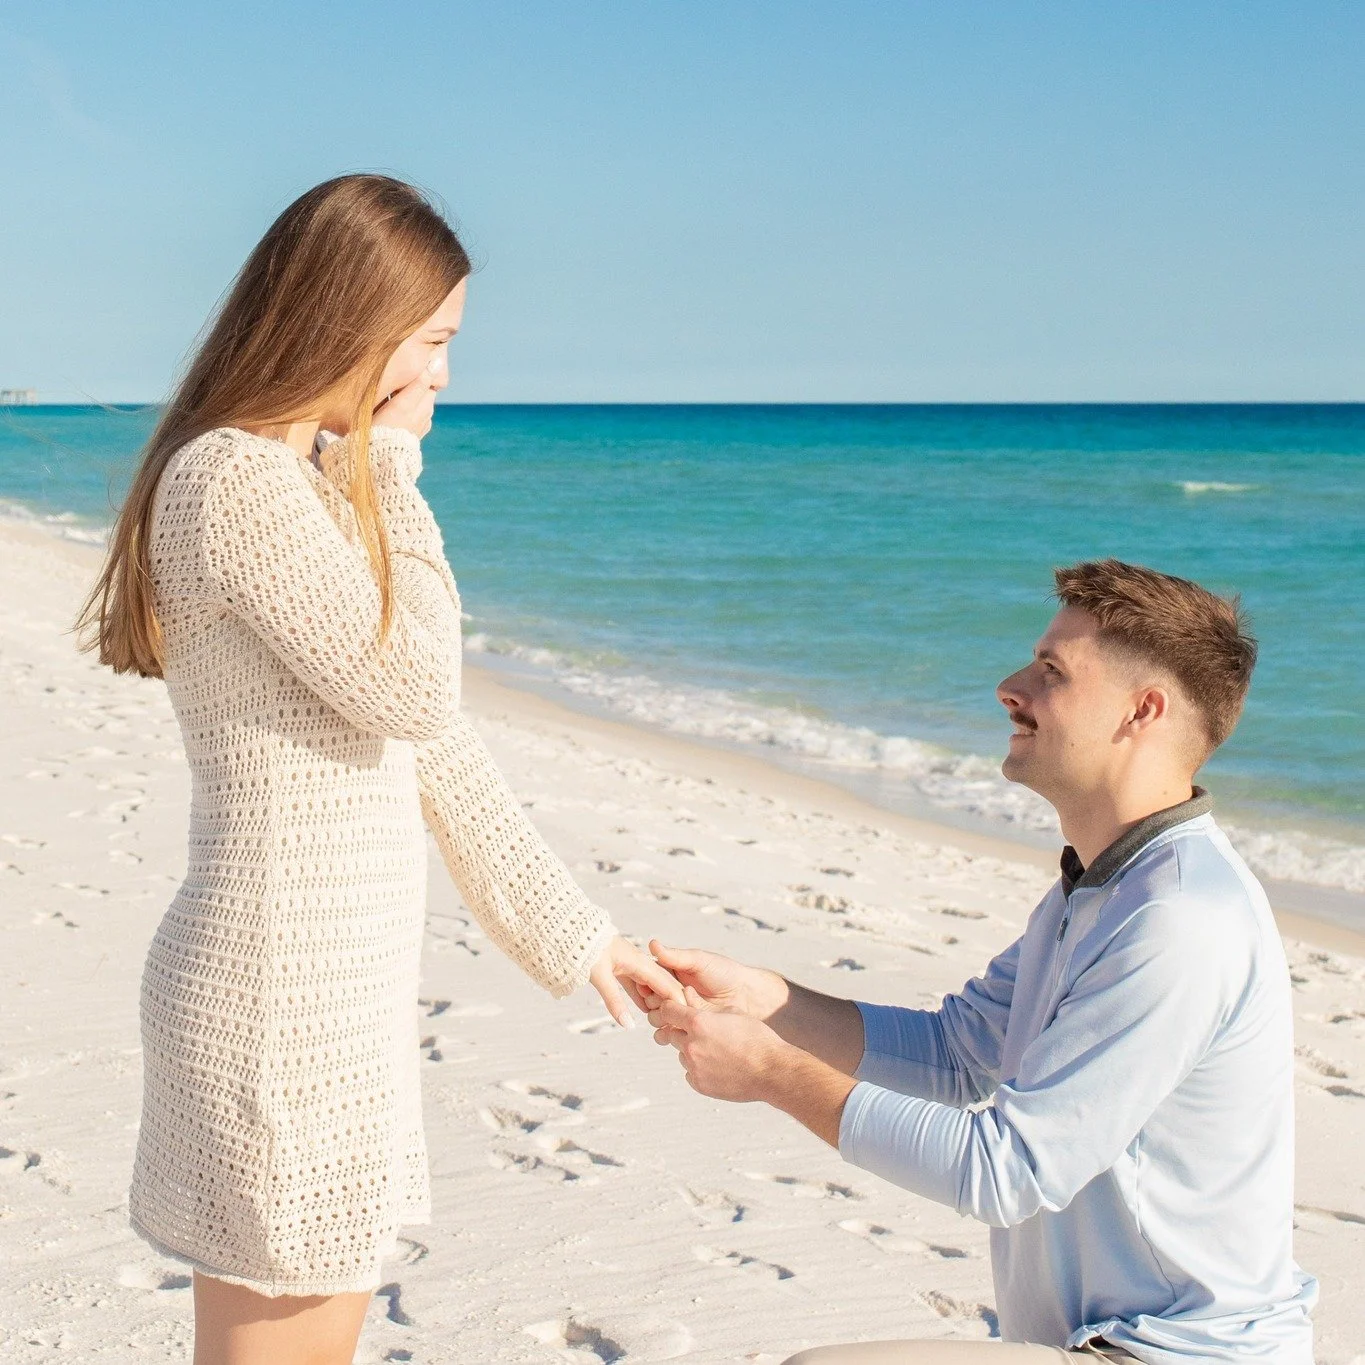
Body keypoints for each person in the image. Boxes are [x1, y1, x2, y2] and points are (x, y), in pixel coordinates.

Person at [75, 174, 678, 1365]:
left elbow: (433, 749)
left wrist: (582, 940)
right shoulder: (233, 481)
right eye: (435, 340)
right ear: (356, 322)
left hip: (332, 1001)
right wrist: (392, 473)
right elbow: (418, 687)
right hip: (275, 1002)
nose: (445, 375)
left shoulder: (298, 487)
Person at [643, 559, 1317, 1363]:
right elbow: (957, 1052)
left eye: (1050, 671)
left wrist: (772, 1072)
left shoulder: (1177, 915)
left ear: (1141, 711)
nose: (1008, 687)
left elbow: (1007, 1171)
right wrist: (770, 1004)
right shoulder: (1100, 885)